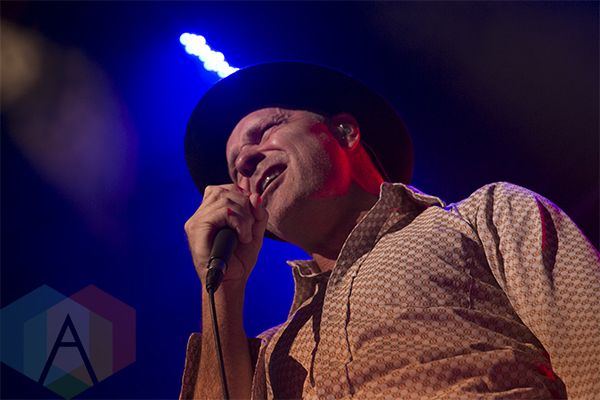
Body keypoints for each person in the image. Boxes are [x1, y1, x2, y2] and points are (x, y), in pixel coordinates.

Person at [180, 61, 599, 399]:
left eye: (266, 130)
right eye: (235, 169)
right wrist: (223, 287)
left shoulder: (486, 217)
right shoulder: (271, 352)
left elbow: (591, 352)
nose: (246, 162)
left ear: (345, 133)